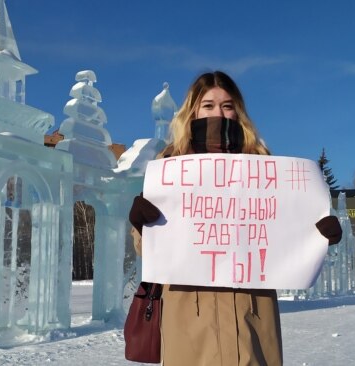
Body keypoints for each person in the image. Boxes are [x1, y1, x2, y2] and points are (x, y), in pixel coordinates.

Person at [129, 70, 342, 366]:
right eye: (208, 105)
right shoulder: (170, 167)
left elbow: (282, 235)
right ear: (192, 112)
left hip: (250, 316)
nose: (219, 112)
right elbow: (148, 249)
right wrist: (141, 224)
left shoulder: (262, 165)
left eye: (227, 105)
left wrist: (318, 233)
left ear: (238, 112)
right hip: (189, 319)